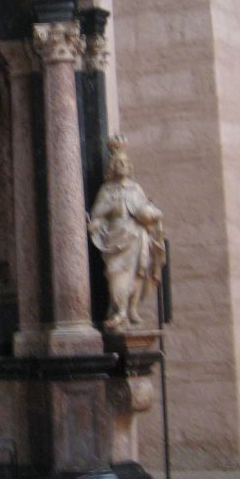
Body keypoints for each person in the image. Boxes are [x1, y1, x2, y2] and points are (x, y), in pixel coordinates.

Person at [88, 134, 166, 331]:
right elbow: (98, 214)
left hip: (136, 236)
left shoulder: (136, 189)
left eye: (125, 162)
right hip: (115, 237)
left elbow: (144, 209)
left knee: (138, 272)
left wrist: (152, 215)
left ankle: (129, 310)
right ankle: (118, 309)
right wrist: (95, 223)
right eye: (118, 162)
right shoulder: (107, 190)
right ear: (112, 166)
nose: (122, 165)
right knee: (114, 273)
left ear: (130, 166)